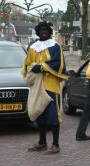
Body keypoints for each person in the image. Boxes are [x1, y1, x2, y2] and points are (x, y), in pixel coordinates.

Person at [22, 21, 67, 154]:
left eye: (46, 29)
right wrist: (31, 68)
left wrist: (42, 67)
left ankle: (56, 144)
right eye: (41, 29)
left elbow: (58, 63)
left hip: (51, 85)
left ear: (49, 31)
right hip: (37, 86)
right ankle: (42, 142)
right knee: (39, 113)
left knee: (53, 116)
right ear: (38, 31)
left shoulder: (55, 46)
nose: (44, 31)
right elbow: (27, 63)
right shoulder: (33, 47)